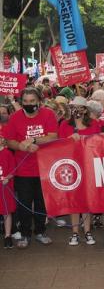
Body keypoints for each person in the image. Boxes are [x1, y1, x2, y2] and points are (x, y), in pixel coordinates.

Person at [4, 88, 58, 248]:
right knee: (25, 203)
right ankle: (25, 234)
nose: (29, 104)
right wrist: (21, 146)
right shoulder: (14, 118)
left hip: (44, 167)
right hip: (23, 170)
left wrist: (33, 140)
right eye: (25, 102)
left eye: (32, 101)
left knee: (41, 202)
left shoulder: (48, 114)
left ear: (39, 102)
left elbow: (53, 136)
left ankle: (40, 232)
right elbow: (9, 141)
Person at [58, 96, 101, 246]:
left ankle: (87, 231)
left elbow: (99, 144)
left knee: (87, 199)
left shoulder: (94, 124)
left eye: (80, 107)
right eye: (73, 107)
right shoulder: (64, 125)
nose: (76, 110)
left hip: (89, 166)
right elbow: (58, 146)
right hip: (71, 168)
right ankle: (75, 232)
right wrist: (69, 139)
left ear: (85, 110)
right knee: (74, 200)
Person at [0, 129, 16, 249]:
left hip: (5, 187)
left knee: (6, 212)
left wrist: (8, 177)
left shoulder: (7, 153)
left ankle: (7, 235)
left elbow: (13, 170)